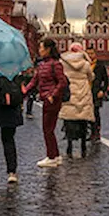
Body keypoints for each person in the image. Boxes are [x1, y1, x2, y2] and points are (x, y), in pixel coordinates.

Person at [23, 39, 70, 168]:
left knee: (47, 129)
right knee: (49, 129)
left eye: (41, 48)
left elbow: (62, 82)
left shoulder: (56, 64)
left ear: (48, 49)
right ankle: (56, 155)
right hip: (47, 98)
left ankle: (51, 157)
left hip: (52, 100)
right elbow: (34, 81)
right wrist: (24, 91)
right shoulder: (42, 64)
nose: (40, 50)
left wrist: (52, 95)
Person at [59, 43, 96, 159]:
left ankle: (69, 146)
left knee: (69, 119)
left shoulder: (63, 63)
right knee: (83, 120)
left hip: (70, 93)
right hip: (83, 93)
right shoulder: (85, 64)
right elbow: (91, 77)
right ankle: (83, 146)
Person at [91, 57, 109, 141]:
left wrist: (103, 90)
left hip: (97, 92)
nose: (90, 56)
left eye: (91, 53)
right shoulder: (85, 64)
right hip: (86, 92)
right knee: (88, 113)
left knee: (95, 112)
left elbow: (106, 80)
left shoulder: (100, 66)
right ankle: (91, 132)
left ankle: (96, 132)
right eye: (88, 53)